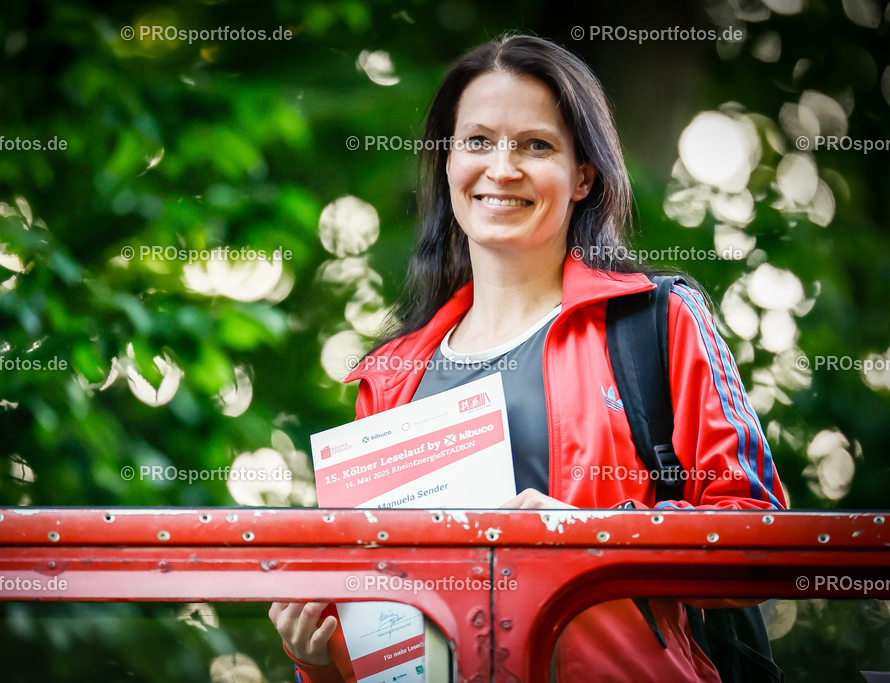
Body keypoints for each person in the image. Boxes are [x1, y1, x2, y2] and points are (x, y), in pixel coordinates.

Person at [270, 33, 786, 682]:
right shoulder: (391, 378)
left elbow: (761, 545)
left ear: (582, 177)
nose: (503, 167)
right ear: (449, 163)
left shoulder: (658, 321)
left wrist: (590, 536)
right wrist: (318, 658)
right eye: (477, 141)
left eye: (536, 145)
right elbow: (388, 632)